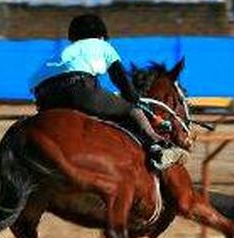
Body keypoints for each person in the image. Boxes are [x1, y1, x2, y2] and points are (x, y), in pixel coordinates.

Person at [29, 13, 184, 171]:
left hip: (44, 95)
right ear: (101, 35)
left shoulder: (64, 52)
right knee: (133, 111)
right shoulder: (103, 46)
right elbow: (120, 80)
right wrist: (134, 100)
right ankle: (158, 148)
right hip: (79, 89)